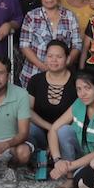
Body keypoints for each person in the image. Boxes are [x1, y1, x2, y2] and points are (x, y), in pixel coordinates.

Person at [19, 0, 83, 82]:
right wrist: (42, 66)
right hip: (33, 73)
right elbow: (24, 45)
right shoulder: (31, 16)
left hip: (62, 75)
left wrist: (66, 63)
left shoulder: (70, 16)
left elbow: (77, 44)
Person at [26, 39, 78, 167]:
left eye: (59, 57)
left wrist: (55, 131)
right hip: (42, 131)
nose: (54, 60)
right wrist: (50, 129)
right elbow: (27, 110)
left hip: (64, 133)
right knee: (27, 126)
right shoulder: (36, 80)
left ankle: (68, 166)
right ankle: (37, 161)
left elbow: (79, 113)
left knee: (64, 131)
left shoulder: (77, 81)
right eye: (50, 56)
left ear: (67, 59)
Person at [49, 69, 94, 182]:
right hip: (80, 154)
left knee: (82, 179)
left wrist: (70, 165)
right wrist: (58, 160)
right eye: (79, 89)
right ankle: (69, 176)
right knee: (63, 130)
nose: (82, 94)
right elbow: (54, 128)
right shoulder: (79, 103)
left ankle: (70, 174)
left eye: (87, 88)